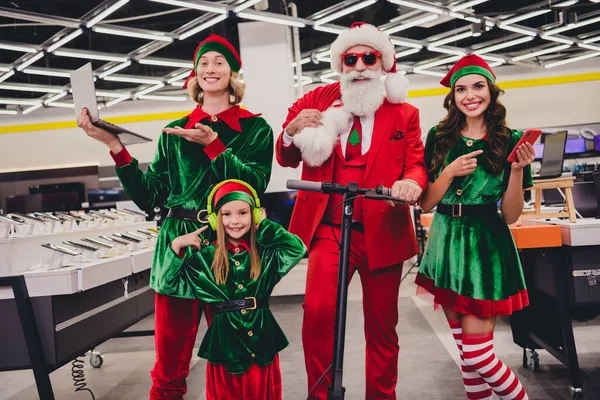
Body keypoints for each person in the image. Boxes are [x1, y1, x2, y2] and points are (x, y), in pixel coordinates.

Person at [77, 34, 274, 399]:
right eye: (203, 63)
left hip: (228, 248)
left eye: (218, 62)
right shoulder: (174, 131)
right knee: (168, 364)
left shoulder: (256, 129)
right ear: (194, 75)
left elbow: (255, 186)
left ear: (232, 74)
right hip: (177, 252)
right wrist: (115, 147)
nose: (210, 68)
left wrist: (213, 145)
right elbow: (150, 195)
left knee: (235, 357)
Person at [276, 22, 428, 399]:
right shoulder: (314, 102)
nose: (359, 65)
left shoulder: (404, 113)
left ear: (384, 64)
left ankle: (381, 395)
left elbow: (416, 163)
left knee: (382, 327)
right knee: (317, 315)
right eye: (350, 58)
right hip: (329, 230)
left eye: (368, 57)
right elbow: (284, 155)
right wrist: (291, 130)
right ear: (340, 64)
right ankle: (321, 394)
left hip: (384, 230)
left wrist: (412, 183)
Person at [415, 54, 534, 400]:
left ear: (491, 91)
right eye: (461, 89)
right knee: (467, 358)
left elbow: (511, 215)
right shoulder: (438, 136)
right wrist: (449, 172)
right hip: (446, 244)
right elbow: (425, 203)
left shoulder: (510, 139)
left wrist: (515, 170)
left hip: (486, 249)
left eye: (478, 86)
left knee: (480, 355)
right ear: (452, 96)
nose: (470, 95)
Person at [166, 179, 306, 400]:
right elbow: (170, 283)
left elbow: (297, 248)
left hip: (262, 340)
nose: (235, 221)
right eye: (226, 214)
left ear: (255, 215)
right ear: (215, 219)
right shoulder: (206, 257)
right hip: (225, 346)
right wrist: (175, 247)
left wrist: (265, 226)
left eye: (243, 213)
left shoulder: (266, 254)